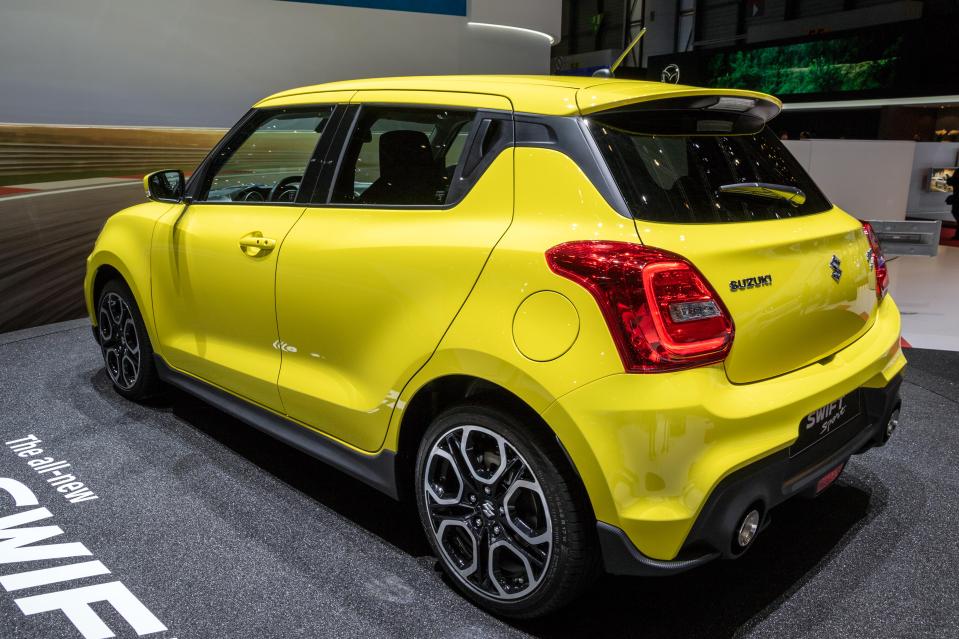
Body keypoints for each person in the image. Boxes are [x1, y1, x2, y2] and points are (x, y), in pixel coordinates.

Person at [947, 170, 959, 240]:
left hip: (957, 199)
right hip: (957, 198)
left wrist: (949, 179)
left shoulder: (958, 171)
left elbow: (950, 182)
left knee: (956, 213)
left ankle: (957, 236)